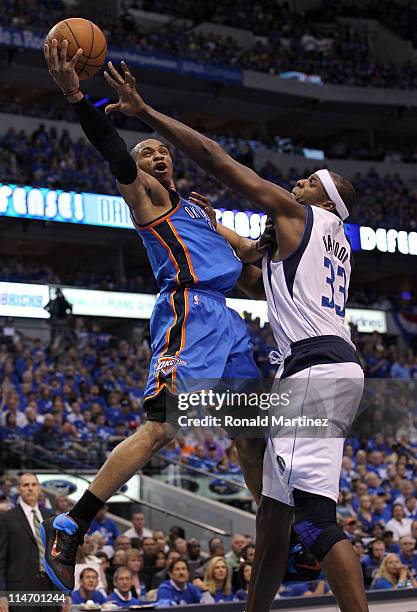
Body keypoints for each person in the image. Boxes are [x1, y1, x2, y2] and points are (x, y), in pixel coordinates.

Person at [100, 61, 368, 612]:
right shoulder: (322, 242)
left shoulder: (300, 216)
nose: (296, 183)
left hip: (312, 371)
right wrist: (207, 221)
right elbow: (248, 266)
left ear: (322, 201)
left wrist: (146, 112)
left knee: (314, 521)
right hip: (335, 367)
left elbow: (219, 161)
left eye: (307, 182)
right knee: (272, 517)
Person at [41, 37, 265, 594]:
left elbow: (251, 255)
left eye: (160, 151)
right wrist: (78, 100)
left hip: (229, 321)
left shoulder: (197, 208)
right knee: (162, 427)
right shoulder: (147, 199)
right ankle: (74, 523)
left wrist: (305, 224)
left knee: (251, 436)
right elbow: (114, 152)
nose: (157, 155)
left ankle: (275, 528)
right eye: (148, 155)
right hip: (189, 312)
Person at [0, 473, 60, 612]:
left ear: (39, 488)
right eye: (25, 485)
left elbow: (58, 557)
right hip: (20, 588)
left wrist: (64, 592)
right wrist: (1, 593)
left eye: (34, 484)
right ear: (19, 489)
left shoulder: (50, 517)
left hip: (50, 587)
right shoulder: (6, 518)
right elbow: (1, 559)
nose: (30, 488)